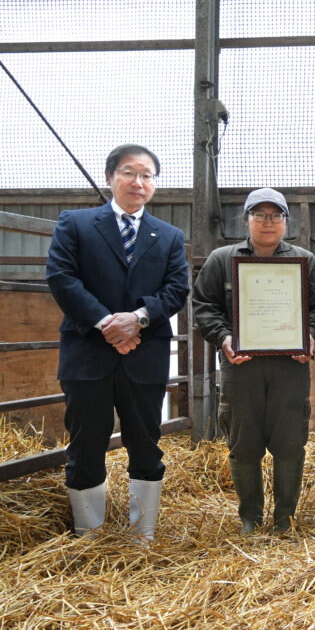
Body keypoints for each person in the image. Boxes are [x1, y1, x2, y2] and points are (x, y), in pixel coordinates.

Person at [45, 143, 190, 542]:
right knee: (86, 443)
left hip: (144, 357)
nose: (138, 182)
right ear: (111, 177)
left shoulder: (170, 236)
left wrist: (138, 318)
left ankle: (142, 536)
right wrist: (106, 322)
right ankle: (89, 538)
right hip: (88, 353)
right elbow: (61, 277)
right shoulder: (75, 224)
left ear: (153, 185)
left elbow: (178, 288)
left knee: (146, 443)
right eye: (129, 172)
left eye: (147, 175)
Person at [192, 188, 315, 532]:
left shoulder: (305, 261)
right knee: (243, 442)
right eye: (260, 215)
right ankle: (250, 519)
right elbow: (203, 306)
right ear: (247, 220)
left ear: (286, 222)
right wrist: (225, 337)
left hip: (291, 366)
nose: (268, 222)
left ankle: (285, 517)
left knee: (289, 441)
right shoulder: (221, 259)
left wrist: (311, 336)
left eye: (276, 216)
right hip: (240, 366)